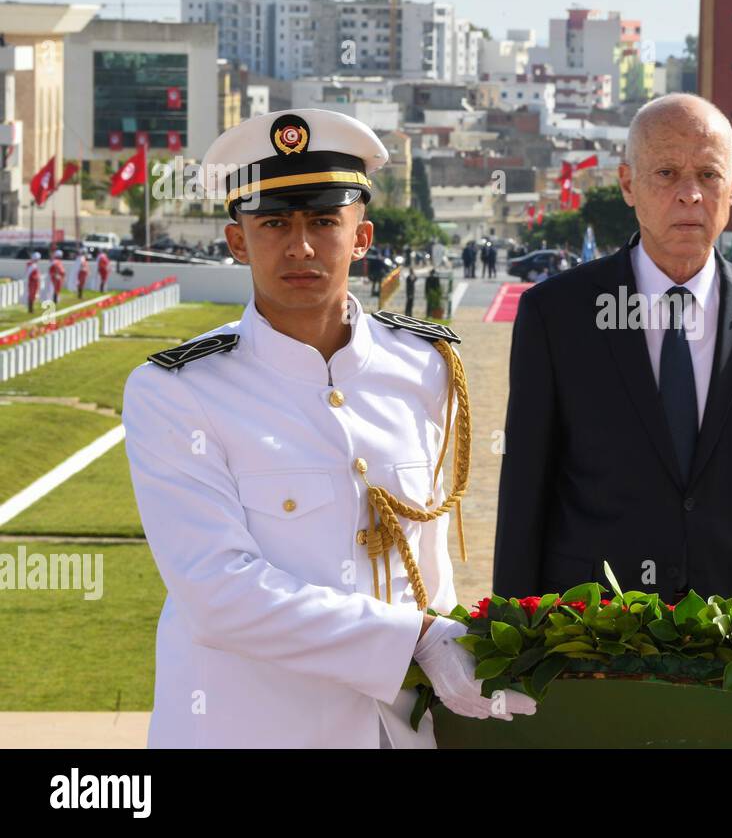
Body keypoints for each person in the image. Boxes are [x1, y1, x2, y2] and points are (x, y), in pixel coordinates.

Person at [121, 108, 534, 748]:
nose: (301, 247)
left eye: (323, 222)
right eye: (274, 224)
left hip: (397, 731)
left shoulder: (425, 367)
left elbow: (428, 566)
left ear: (362, 236)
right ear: (237, 242)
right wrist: (415, 639)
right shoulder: (176, 391)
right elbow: (217, 591)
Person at [493, 93, 732, 624]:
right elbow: (523, 499)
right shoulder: (556, 314)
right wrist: (512, 644)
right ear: (628, 183)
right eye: (667, 173)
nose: (690, 195)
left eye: (708, 175)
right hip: (593, 639)